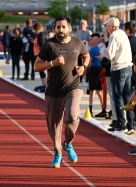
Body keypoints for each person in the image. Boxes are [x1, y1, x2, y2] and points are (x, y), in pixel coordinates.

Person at [34, 16, 90, 168]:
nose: (60, 30)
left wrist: (83, 67)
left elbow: (86, 56)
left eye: (63, 27)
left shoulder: (77, 43)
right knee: (55, 125)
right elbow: (36, 66)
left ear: (69, 28)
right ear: (55, 29)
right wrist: (52, 63)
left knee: (72, 116)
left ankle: (68, 143)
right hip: (53, 90)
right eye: (58, 27)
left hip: (73, 86)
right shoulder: (49, 45)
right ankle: (58, 152)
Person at [98, 17, 133, 132]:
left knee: (117, 97)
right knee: (127, 96)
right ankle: (130, 123)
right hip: (128, 66)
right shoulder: (123, 33)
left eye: (107, 27)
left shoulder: (114, 35)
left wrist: (101, 46)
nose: (107, 29)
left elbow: (109, 54)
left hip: (119, 68)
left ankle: (120, 123)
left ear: (111, 27)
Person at [123, 21, 136, 135]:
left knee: (131, 99)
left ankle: (131, 125)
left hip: (133, 73)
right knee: (134, 99)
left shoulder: (128, 41)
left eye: (123, 29)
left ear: (128, 31)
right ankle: (134, 124)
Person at [88, 33, 107, 117]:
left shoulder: (92, 50)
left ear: (95, 40)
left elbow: (89, 62)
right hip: (101, 69)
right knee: (99, 90)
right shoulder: (102, 48)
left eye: (91, 39)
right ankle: (103, 108)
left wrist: (87, 69)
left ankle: (90, 109)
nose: (90, 41)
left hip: (94, 69)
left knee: (92, 90)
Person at [31, 23, 47, 92]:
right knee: (40, 71)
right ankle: (44, 84)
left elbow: (42, 44)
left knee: (41, 70)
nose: (34, 31)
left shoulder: (41, 35)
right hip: (38, 55)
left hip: (39, 55)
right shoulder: (40, 35)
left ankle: (45, 84)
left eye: (35, 30)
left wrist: (41, 51)